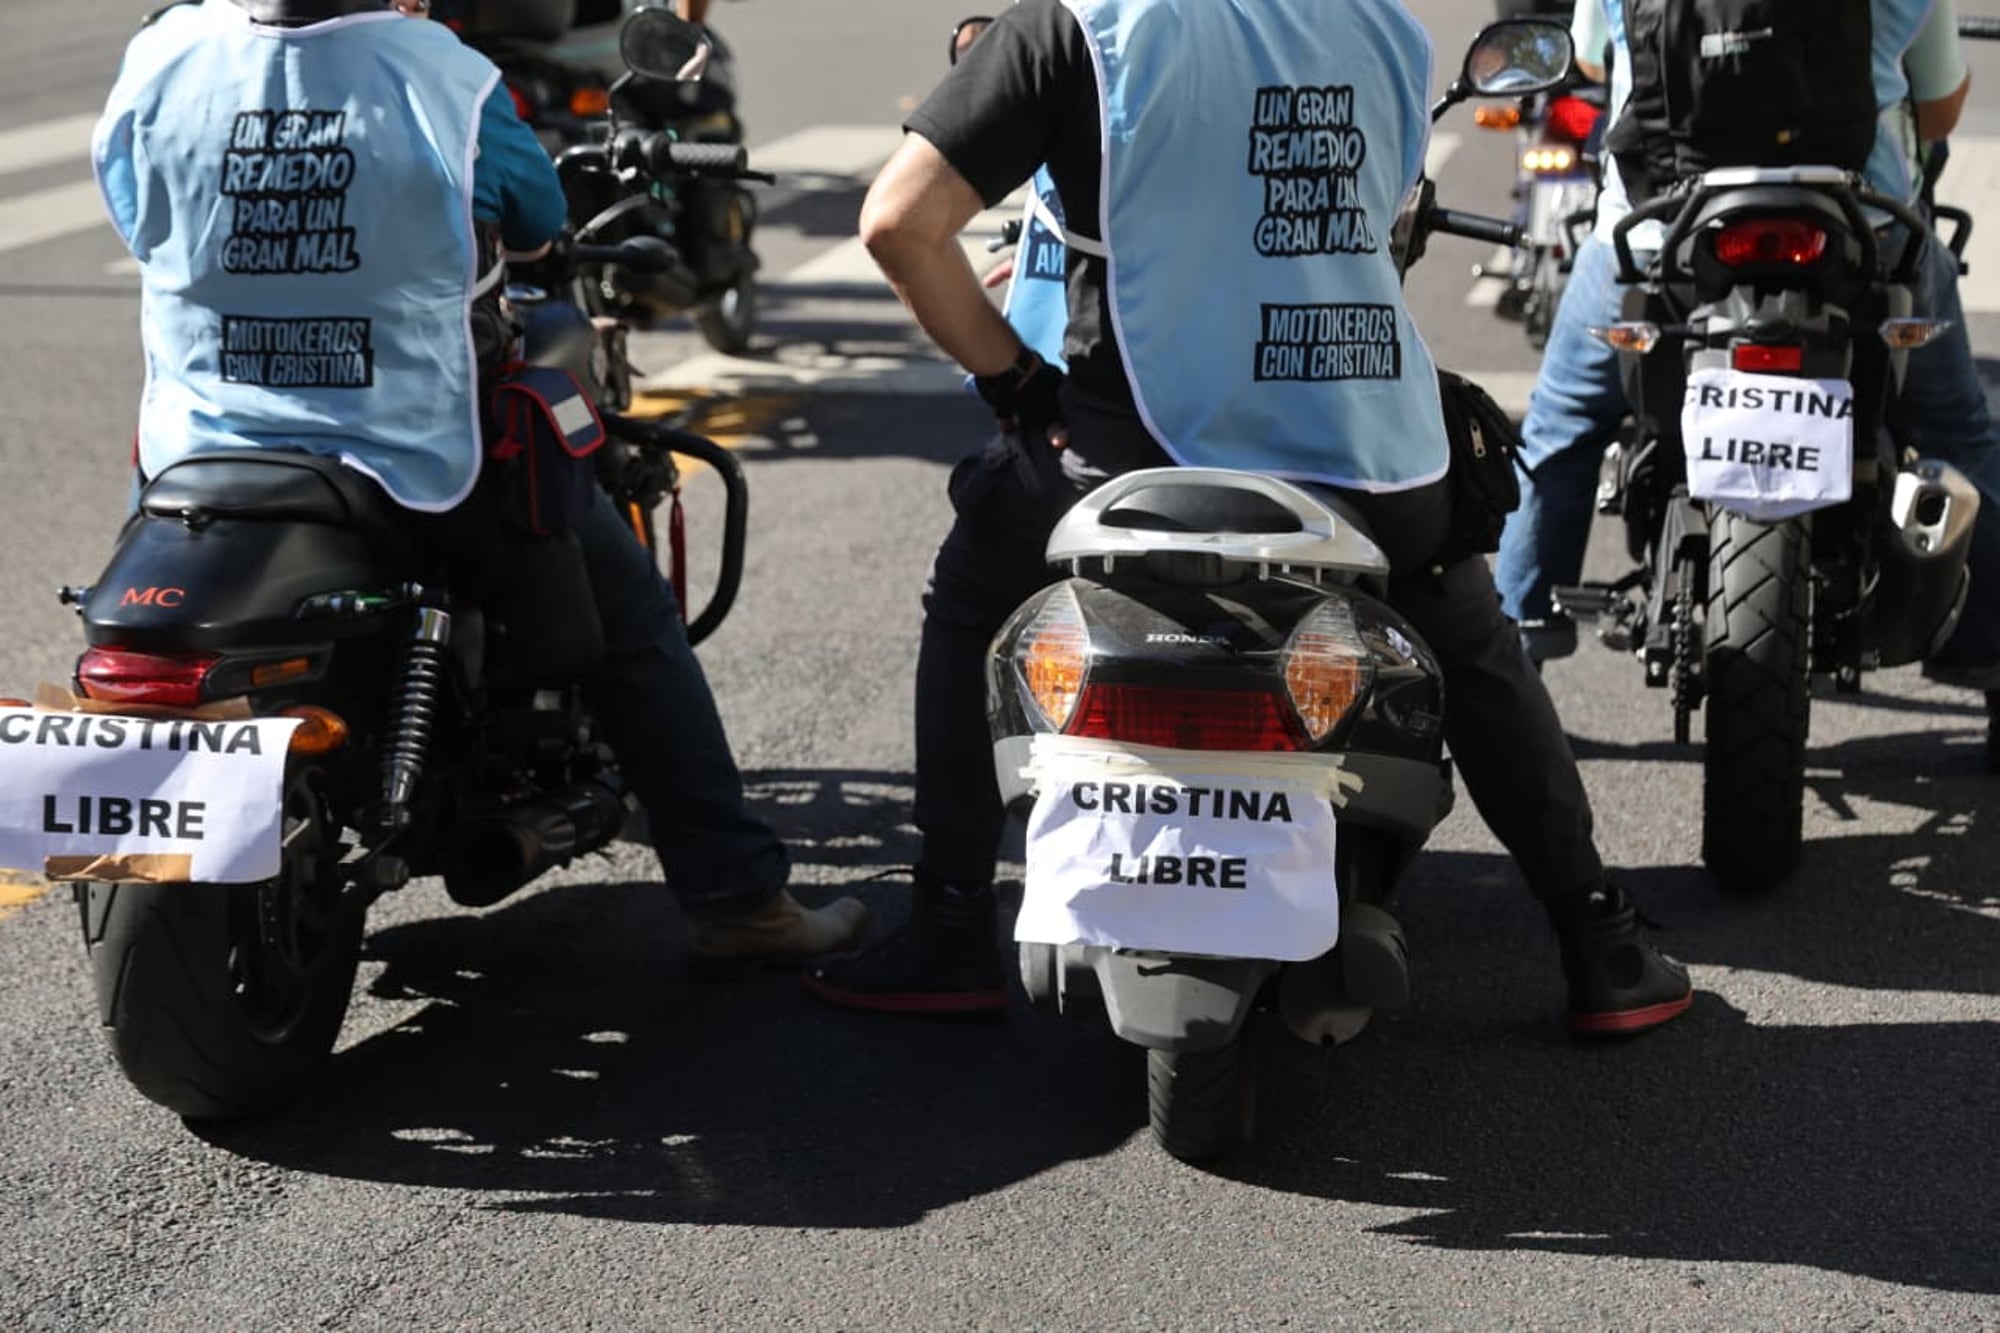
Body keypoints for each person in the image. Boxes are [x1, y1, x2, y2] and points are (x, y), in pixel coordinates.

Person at [803, 0, 1694, 1037]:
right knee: (1466, 633)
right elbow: (1382, 225)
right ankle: (1598, 939)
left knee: (967, 600)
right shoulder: (1387, 32)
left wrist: (1016, 388)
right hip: (1366, 462)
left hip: (1127, 459)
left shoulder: (1074, 29)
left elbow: (896, 224)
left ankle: (952, 923)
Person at [91, 0, 865, 968]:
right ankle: (740, 900)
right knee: (635, 631)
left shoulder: (162, 56)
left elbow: (131, 208)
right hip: (407, 453)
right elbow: (538, 222)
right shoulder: (437, 71)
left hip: (201, 445)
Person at [1494, 0, 2000, 683]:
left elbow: (1591, 61)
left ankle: (1510, 646)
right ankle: (1985, 652)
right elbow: (1938, 110)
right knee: (1958, 435)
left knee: (1560, 427)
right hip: (1861, 237)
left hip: (1658, 236)